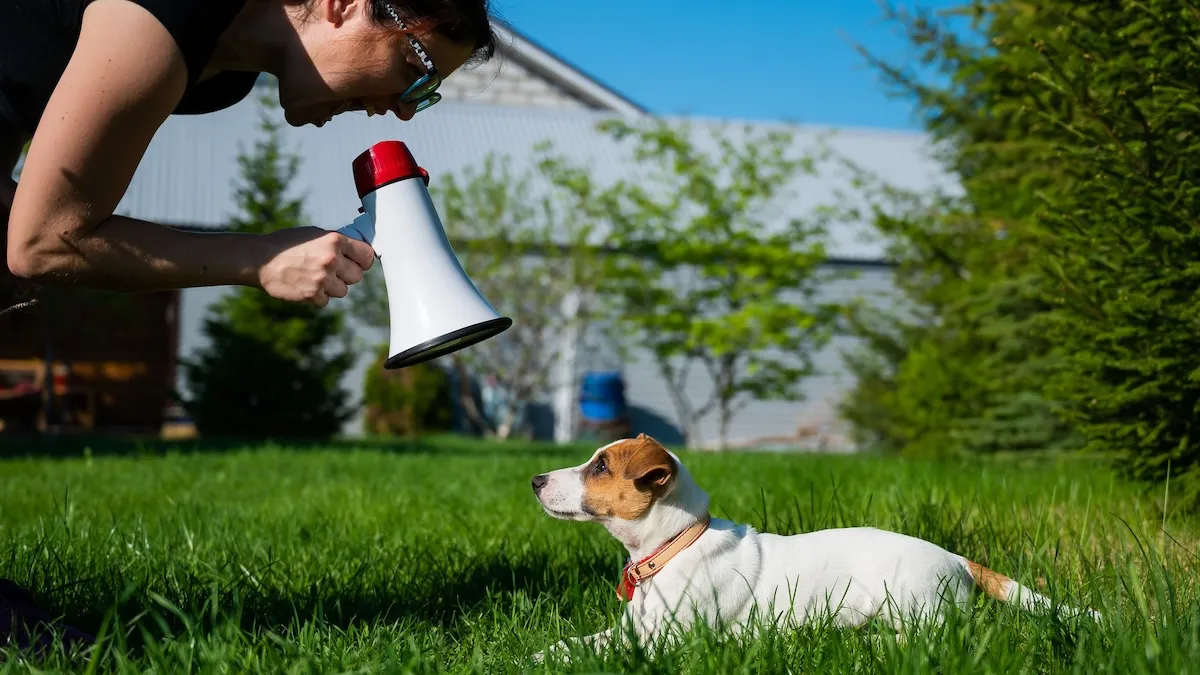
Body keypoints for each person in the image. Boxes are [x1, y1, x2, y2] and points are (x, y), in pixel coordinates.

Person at [0, 0, 496, 652]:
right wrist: (257, 258)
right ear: (344, 4)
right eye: (417, 67)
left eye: (423, 94)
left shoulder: (221, 75)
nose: (403, 107)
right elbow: (43, 240)